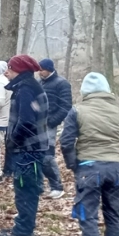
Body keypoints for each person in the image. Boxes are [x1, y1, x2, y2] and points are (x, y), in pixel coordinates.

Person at [59, 73, 119, 236]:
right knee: (113, 215)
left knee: (88, 216)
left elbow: (66, 141)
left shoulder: (78, 111)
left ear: (85, 91)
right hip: (117, 168)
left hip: (89, 168)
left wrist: (73, 164)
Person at [0, 54, 49, 236]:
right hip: (31, 148)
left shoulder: (26, 89)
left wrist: (13, 141)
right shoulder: (28, 87)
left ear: (19, 70)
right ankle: (24, 226)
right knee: (27, 188)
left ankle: (23, 231)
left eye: (9, 68)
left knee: (25, 188)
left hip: (28, 149)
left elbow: (26, 121)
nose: (6, 71)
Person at [38, 58, 73, 199]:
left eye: (42, 69)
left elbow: (66, 106)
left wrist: (52, 122)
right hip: (37, 125)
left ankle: (57, 187)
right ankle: (39, 186)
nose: (39, 72)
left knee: (47, 156)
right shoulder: (40, 83)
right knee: (37, 156)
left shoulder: (62, 83)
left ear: (49, 69)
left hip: (49, 125)